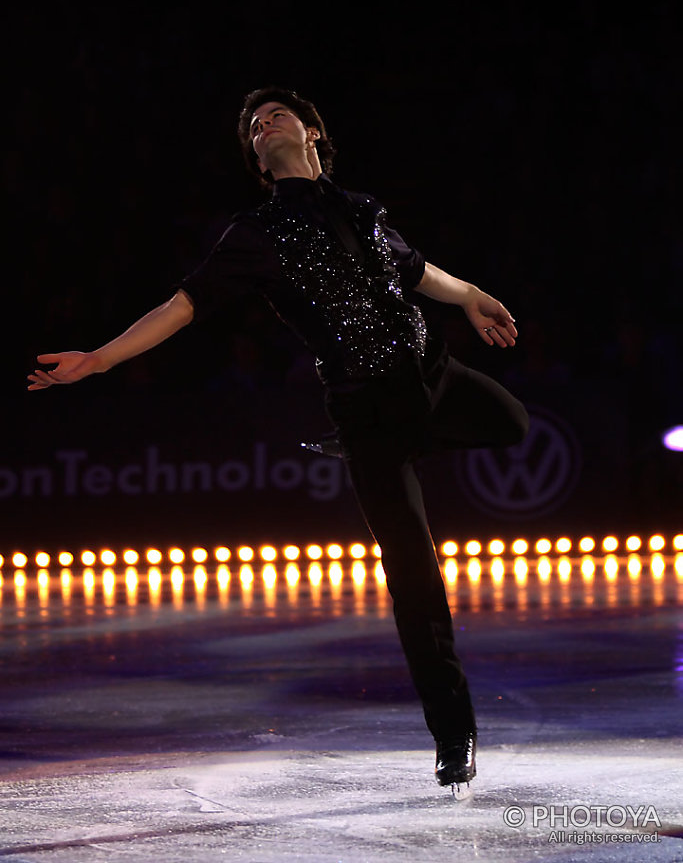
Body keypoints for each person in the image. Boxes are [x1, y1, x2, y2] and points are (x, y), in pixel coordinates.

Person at [28, 87, 529, 791]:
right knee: (414, 580)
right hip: (364, 409)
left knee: (511, 422)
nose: (263, 127)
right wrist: (99, 359)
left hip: (433, 373)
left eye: (275, 116)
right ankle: (454, 735)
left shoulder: (360, 208)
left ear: (313, 133)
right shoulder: (255, 234)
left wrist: (470, 293)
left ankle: (397, 440)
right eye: (253, 128)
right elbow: (182, 305)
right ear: (259, 163)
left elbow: (417, 273)